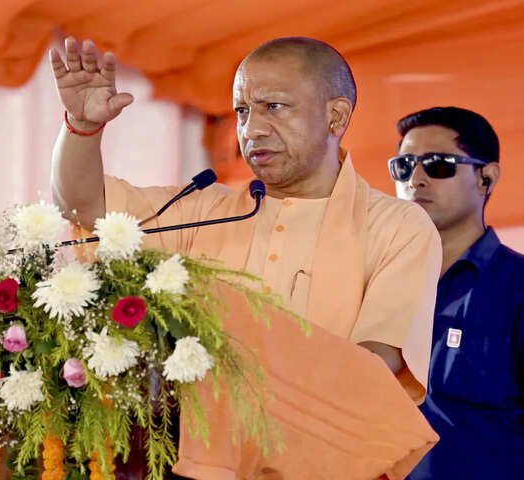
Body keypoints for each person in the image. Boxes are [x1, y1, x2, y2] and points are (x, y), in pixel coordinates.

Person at [50, 36, 441, 479]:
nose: (251, 130)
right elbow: (85, 208)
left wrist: (239, 369)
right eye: (241, 111)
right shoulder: (205, 210)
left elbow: (378, 362)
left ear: (336, 116)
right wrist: (82, 127)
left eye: (274, 107)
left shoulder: (395, 225)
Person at [389, 106, 524, 479]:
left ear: (486, 178)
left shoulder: (516, 287)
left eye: (438, 164)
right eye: (404, 166)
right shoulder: (375, 283)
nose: (415, 179)